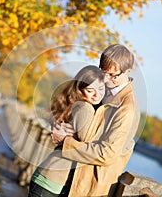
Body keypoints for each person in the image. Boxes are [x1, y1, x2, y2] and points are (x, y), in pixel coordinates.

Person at [51, 44, 141, 196]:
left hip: (91, 186)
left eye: (113, 75)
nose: (106, 79)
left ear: (128, 72)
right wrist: (62, 124)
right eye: (104, 72)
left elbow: (107, 154)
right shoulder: (104, 89)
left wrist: (66, 142)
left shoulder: (127, 108)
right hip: (69, 177)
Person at [28, 65, 106, 197]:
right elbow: (88, 145)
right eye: (90, 90)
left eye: (100, 88)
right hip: (52, 183)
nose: (96, 94)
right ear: (80, 90)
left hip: (49, 177)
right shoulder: (86, 109)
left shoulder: (76, 104)